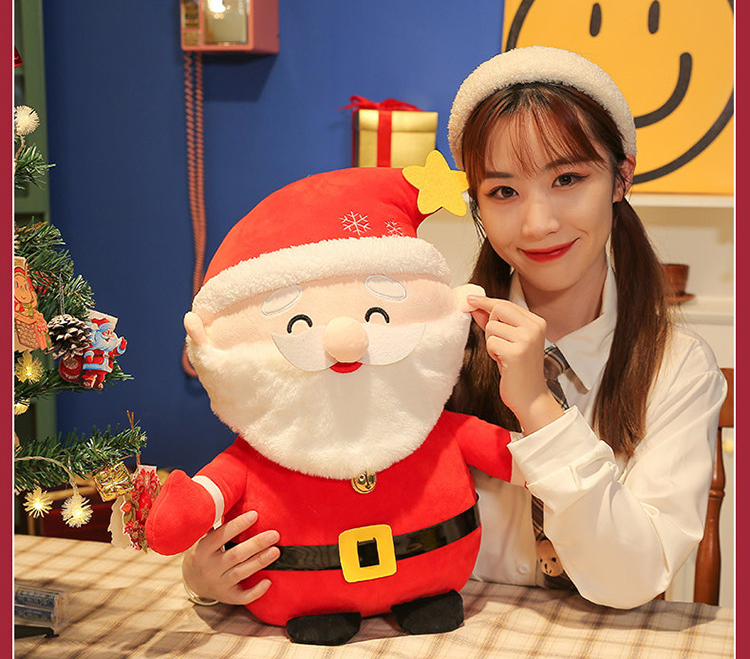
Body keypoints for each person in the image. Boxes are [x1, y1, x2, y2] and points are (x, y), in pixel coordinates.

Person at [181, 45, 726, 610]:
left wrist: (537, 406)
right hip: (439, 633)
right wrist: (207, 578)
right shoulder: (425, 342)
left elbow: (631, 581)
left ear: (620, 178)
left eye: (567, 178)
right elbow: (307, 478)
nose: (538, 222)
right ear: (477, 206)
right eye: (504, 191)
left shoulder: (677, 366)